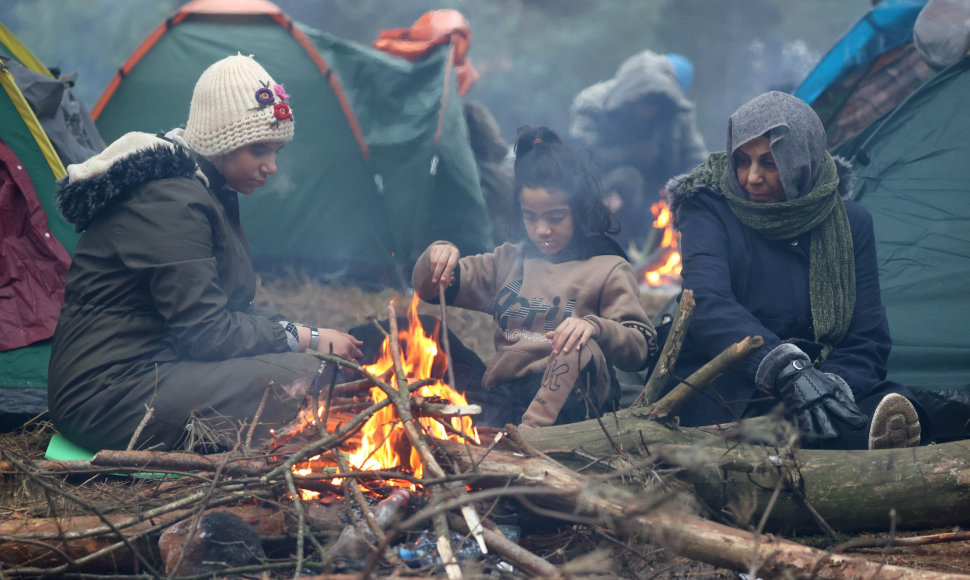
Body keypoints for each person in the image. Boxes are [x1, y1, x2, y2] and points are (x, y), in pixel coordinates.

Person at [48, 54, 363, 452]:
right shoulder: (170, 199)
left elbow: (222, 312)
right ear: (222, 140)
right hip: (108, 396)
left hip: (160, 366)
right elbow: (207, 333)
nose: (271, 167)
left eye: (276, 152)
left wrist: (298, 334)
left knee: (317, 372)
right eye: (260, 150)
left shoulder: (204, 189)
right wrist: (308, 338)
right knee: (307, 378)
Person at [665, 90, 922, 450]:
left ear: (802, 160)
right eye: (742, 160)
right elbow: (708, 303)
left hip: (818, 372)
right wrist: (786, 370)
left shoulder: (850, 223)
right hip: (723, 373)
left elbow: (868, 337)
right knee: (746, 427)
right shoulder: (707, 207)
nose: (752, 177)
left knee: (883, 405)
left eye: (769, 163)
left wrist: (829, 387)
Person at [411, 126, 659, 428]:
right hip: (505, 397)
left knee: (578, 350)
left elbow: (641, 347)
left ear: (580, 211)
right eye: (531, 217)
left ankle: (529, 444)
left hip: (576, 401)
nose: (542, 230)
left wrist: (595, 328)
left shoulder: (607, 268)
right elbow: (430, 288)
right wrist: (439, 256)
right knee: (421, 330)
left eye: (555, 217)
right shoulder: (509, 260)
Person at [569, 50, 707, 250]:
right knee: (628, 179)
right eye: (645, 102)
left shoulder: (676, 115)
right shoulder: (594, 106)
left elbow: (694, 158)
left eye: (656, 105)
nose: (649, 111)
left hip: (658, 197)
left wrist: (688, 193)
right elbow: (579, 158)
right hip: (605, 194)